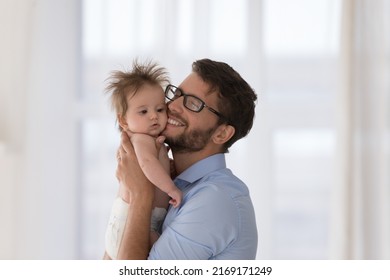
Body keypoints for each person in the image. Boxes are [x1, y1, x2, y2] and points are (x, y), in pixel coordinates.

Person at [115, 58, 258, 259]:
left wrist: (140, 195)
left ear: (222, 134)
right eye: (177, 94)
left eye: (193, 103)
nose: (173, 105)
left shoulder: (214, 199)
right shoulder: (169, 182)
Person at [103, 60, 182, 260]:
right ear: (123, 121)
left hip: (136, 219)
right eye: (143, 112)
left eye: (160, 109)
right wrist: (171, 188)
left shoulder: (149, 140)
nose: (154, 117)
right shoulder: (141, 139)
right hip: (135, 220)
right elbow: (147, 165)